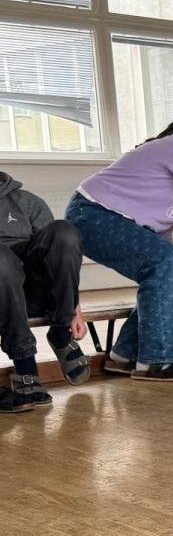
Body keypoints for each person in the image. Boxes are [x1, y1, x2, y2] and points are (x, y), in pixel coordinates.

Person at [67, 99, 173, 382]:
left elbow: (160, 233)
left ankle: (126, 354)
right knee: (167, 264)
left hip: (97, 216)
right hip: (94, 213)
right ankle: (160, 361)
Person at [0, 173, 87, 411]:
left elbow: (60, 256)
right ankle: (25, 366)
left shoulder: (26, 201)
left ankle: (60, 334)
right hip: (2, 300)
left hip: (35, 294)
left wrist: (75, 308)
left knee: (64, 232)